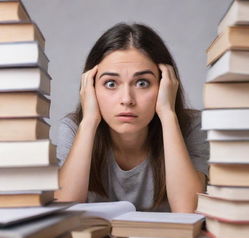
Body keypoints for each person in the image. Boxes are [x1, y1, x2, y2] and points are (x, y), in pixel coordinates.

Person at [55, 23, 209, 212]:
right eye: (111, 83)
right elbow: (64, 211)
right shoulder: (73, 128)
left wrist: (168, 115)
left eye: (142, 83)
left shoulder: (192, 127)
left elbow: (188, 211)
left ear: (165, 86)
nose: (127, 99)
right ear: (91, 88)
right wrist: (88, 122)